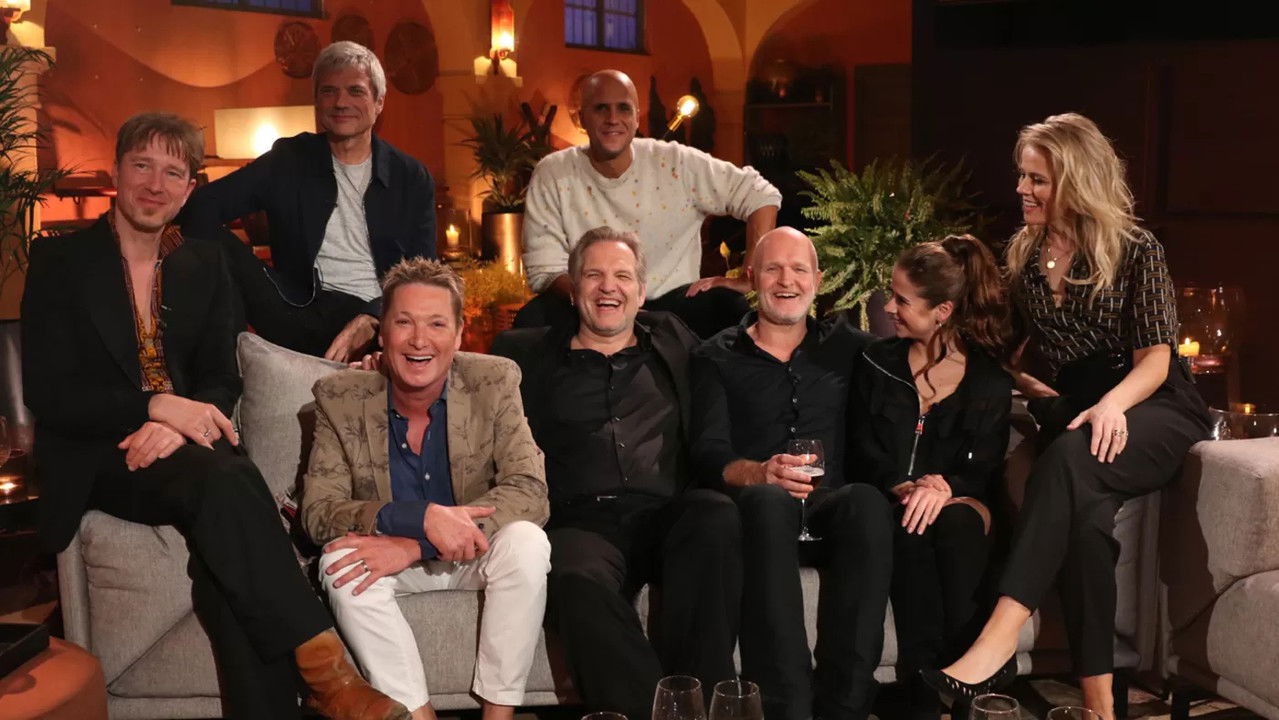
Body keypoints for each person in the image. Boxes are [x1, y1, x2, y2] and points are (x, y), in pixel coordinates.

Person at [21, 112, 408, 720]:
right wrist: (155, 405)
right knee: (226, 477)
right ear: (116, 172)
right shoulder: (59, 261)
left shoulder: (205, 264)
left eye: (172, 172)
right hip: (100, 453)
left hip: (182, 452)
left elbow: (221, 378)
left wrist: (177, 424)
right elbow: (51, 393)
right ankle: (328, 674)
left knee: (223, 551)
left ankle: (312, 689)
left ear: (189, 189)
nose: (155, 184)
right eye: (142, 165)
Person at [920, 113, 1210, 720]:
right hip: (1079, 411)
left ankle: (997, 638)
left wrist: (1112, 404)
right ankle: (1100, 706)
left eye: (1038, 180)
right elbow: (1001, 341)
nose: (1021, 189)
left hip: (1152, 403)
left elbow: (1157, 361)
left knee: (1068, 456)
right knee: (1083, 525)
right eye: (1021, 176)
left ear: (1076, 181)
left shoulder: (1135, 249)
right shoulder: (1025, 255)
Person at [491, 227, 742, 720]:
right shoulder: (523, 356)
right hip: (581, 522)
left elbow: (751, 352)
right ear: (573, 288)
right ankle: (665, 713)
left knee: (715, 516)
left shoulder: (674, 339)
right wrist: (381, 363)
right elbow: (457, 380)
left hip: (667, 514)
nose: (609, 287)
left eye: (623, 276)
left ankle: (704, 698)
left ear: (641, 291)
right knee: (572, 576)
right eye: (594, 275)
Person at [301, 259, 551, 720]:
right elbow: (318, 513)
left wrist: (418, 543)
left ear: (458, 335)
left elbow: (530, 490)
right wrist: (419, 518)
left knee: (527, 541)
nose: (420, 340)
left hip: (472, 551)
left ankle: (499, 717)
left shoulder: (495, 381)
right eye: (404, 323)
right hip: (393, 562)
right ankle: (418, 716)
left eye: (436, 324)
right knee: (337, 564)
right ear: (382, 334)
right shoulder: (339, 398)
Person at [690, 226, 889, 720]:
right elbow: (709, 453)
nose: (786, 281)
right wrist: (760, 473)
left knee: (866, 502)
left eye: (799, 269)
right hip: (759, 510)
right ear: (751, 278)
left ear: (817, 280)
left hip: (828, 504)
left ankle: (846, 706)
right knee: (767, 500)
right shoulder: (714, 355)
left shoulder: (854, 350)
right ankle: (787, 706)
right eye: (773, 269)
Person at [183, 40, 435, 362]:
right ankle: (226, 366)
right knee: (215, 245)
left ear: (379, 102)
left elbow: (423, 273)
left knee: (411, 299)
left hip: (377, 321)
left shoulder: (410, 176)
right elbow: (204, 205)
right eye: (329, 91)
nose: (341, 102)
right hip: (296, 310)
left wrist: (375, 315)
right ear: (317, 101)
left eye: (355, 91)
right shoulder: (289, 159)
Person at [848, 236, 1013, 720]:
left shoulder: (988, 381)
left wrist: (945, 487)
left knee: (953, 523)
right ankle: (924, 695)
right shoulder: (876, 362)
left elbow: (983, 466)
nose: (889, 308)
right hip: (895, 500)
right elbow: (862, 447)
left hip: (961, 502)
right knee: (912, 523)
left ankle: (966, 692)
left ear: (942, 311)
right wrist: (902, 483)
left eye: (902, 300)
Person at [517, 69, 781, 338]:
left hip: (674, 305)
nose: (613, 119)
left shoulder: (676, 162)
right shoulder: (553, 172)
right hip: (590, 300)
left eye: (623, 108)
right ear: (582, 117)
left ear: (635, 117)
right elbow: (545, 269)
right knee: (532, 320)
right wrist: (600, 298)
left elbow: (760, 194)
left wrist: (749, 277)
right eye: (601, 108)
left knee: (731, 307)